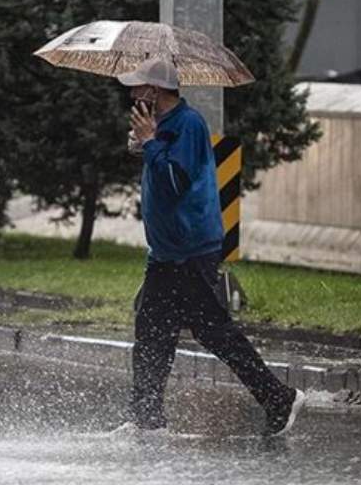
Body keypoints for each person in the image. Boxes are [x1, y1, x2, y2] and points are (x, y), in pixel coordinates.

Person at [116, 57, 303, 437]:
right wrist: (142, 144)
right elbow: (159, 166)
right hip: (167, 253)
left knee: (215, 332)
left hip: (190, 250)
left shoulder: (188, 125)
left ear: (154, 90)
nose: (132, 93)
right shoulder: (163, 125)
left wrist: (151, 144)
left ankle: (279, 398)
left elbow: (174, 182)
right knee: (152, 332)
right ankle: (146, 419)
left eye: (138, 87)